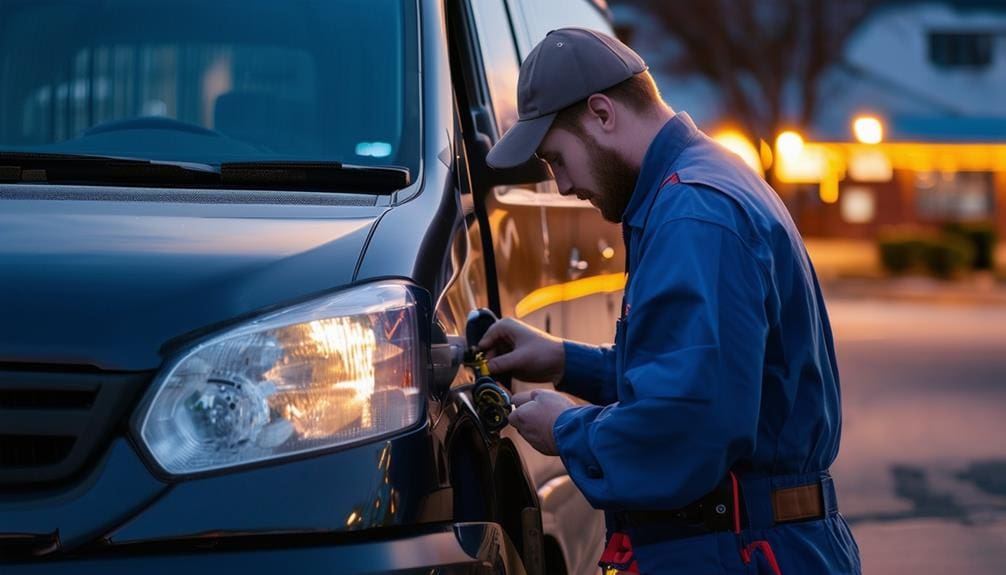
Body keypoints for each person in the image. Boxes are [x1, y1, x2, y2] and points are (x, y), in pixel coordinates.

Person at [480, 27, 861, 574]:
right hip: (752, 543)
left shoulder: (692, 215)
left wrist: (567, 431)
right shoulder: (698, 185)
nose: (560, 185)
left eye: (556, 158)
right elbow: (703, 375)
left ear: (602, 113)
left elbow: (686, 424)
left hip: (740, 551)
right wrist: (564, 361)